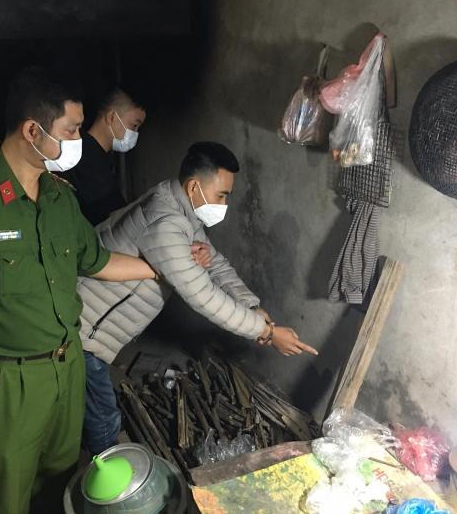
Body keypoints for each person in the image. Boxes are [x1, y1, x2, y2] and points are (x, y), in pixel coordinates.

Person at [0, 66, 161, 514]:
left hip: (67, 366)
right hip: (8, 380)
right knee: (6, 491)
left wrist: (158, 270)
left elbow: (97, 261)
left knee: (59, 480)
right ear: (32, 130)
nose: (80, 139)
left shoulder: (60, 196)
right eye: (72, 130)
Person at [77, 141, 319, 455]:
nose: (224, 204)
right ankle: (106, 474)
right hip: (85, 330)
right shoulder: (166, 224)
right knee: (103, 421)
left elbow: (215, 263)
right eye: (221, 195)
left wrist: (251, 305)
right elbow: (204, 297)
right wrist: (268, 333)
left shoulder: (178, 205)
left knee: (89, 407)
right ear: (194, 186)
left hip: (96, 326)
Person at [61, 87, 146, 225]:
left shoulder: (102, 158)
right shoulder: (85, 159)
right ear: (112, 117)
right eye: (134, 125)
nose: (135, 133)